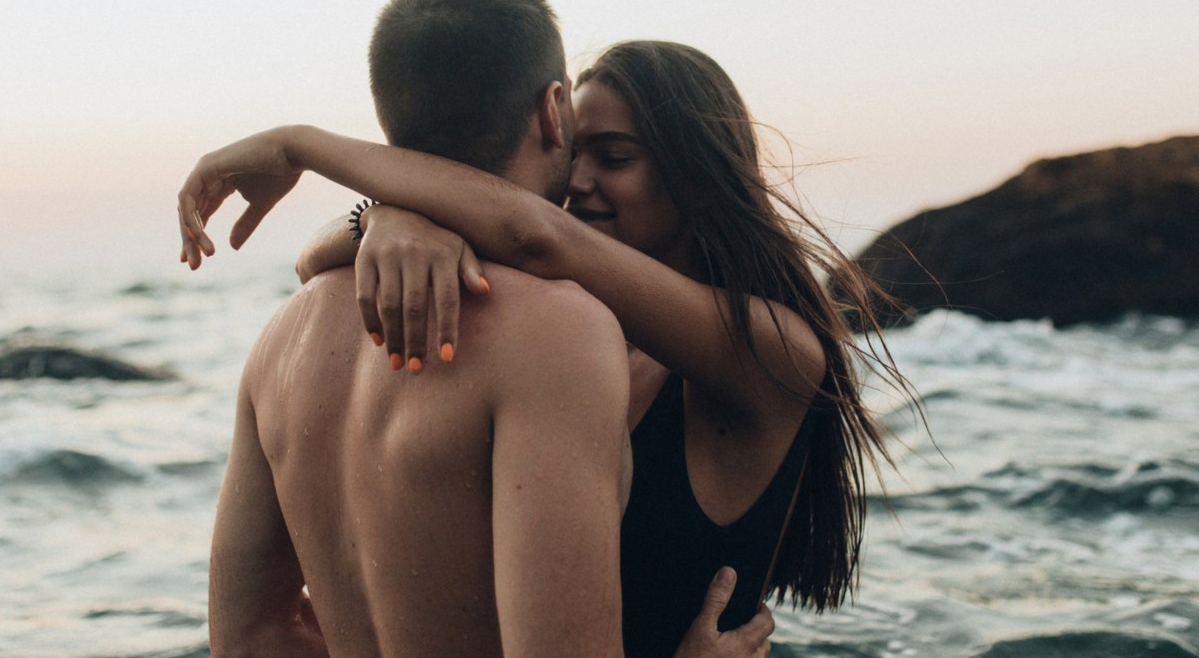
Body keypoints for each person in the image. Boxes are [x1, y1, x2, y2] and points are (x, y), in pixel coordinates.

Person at [181, 35, 903, 657]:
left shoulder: (774, 351)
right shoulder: (576, 334)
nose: (578, 183)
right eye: (574, 155)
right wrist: (387, 219)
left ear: (698, 173)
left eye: (614, 157)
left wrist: (299, 147)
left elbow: (534, 230)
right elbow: (313, 263)